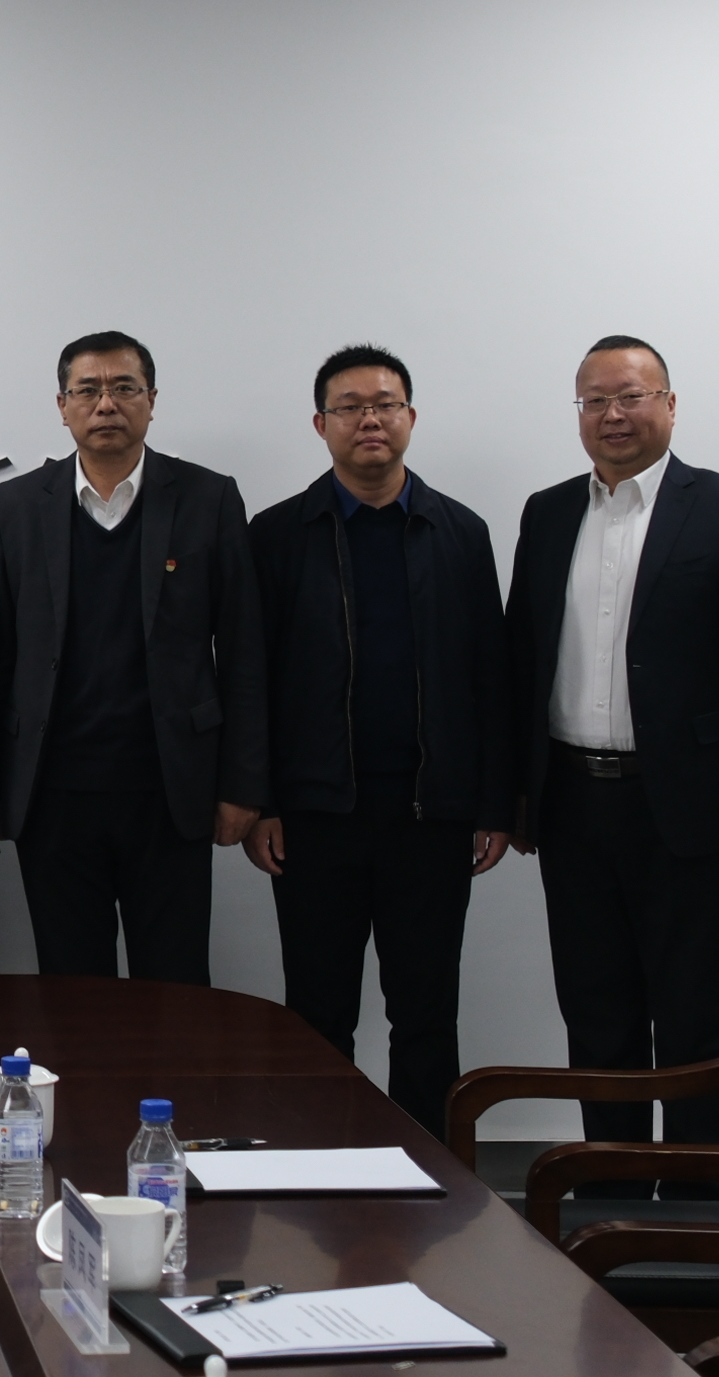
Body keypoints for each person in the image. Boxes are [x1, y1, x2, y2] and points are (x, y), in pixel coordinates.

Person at [508, 335, 719, 1186]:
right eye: (594, 400)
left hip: (688, 805)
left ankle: (704, 1198)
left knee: (694, 1014)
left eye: (630, 396)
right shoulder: (548, 514)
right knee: (596, 1012)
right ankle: (614, 1191)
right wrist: (516, 792)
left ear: (669, 405)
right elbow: (521, 658)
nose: (613, 415)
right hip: (572, 800)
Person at [242, 346, 514, 1133]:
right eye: (351, 406)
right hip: (315, 814)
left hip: (431, 814)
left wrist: (494, 803)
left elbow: (492, 674)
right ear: (320, 424)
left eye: (386, 404)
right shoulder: (278, 534)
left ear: (410, 418)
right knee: (318, 1010)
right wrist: (260, 802)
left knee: (426, 1012)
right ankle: (324, 1165)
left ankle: (429, 1166)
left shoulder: (460, 531)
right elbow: (252, 678)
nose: (370, 419)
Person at [0, 330, 265, 983]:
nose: (105, 404)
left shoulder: (207, 497)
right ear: (62, 406)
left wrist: (243, 785)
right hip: (53, 793)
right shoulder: (16, 505)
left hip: (171, 789)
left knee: (175, 986)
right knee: (71, 987)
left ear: (152, 400)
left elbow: (244, 652)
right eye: (87, 390)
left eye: (124, 388)